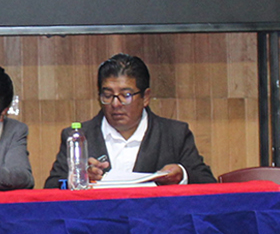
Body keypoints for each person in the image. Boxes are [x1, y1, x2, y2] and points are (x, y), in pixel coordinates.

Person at [43, 53, 215, 187]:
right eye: (108, 95)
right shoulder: (78, 136)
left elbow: (208, 184)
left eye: (125, 95)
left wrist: (182, 175)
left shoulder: (174, 134)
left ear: (145, 97)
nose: (115, 104)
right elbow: (51, 188)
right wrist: (78, 177)